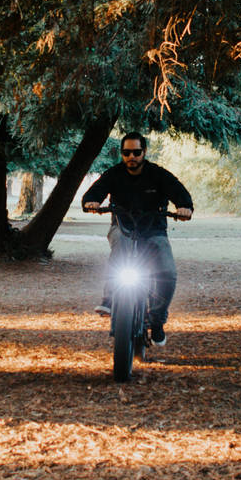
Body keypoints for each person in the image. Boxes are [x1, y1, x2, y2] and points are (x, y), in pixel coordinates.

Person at [82, 132, 193, 346]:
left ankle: (157, 319)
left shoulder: (158, 175)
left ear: (144, 152)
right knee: (120, 247)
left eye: (136, 152)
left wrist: (184, 207)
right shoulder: (114, 174)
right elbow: (93, 193)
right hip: (123, 228)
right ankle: (109, 298)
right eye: (126, 152)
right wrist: (91, 202)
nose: (131, 156)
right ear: (122, 154)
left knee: (167, 272)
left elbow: (180, 192)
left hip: (154, 230)